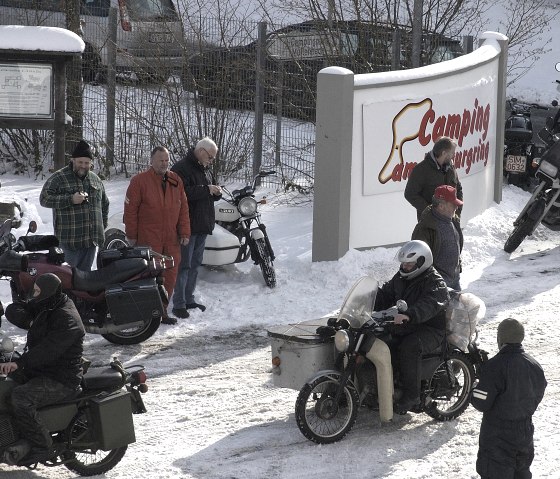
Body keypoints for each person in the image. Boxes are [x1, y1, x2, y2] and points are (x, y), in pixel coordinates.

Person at [0, 273, 85, 465]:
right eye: (34, 291)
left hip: (61, 378)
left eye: (37, 292)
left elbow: (48, 351)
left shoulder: (67, 318)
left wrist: (19, 364)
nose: (34, 296)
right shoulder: (49, 304)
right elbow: (14, 309)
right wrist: (30, 321)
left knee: (20, 397)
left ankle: (42, 445)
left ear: (47, 292)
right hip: (43, 370)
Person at [367, 240, 449, 414]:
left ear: (421, 262)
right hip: (408, 324)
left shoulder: (435, 282)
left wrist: (410, 314)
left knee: (409, 346)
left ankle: (412, 396)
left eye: (409, 264)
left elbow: (430, 304)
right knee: (381, 338)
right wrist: (368, 299)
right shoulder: (402, 277)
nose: (405, 266)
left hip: (430, 328)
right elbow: (386, 294)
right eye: (403, 263)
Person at [471, 318, 547, 479]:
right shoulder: (534, 365)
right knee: (522, 473)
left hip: (497, 436)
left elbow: (480, 402)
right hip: (524, 432)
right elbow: (539, 392)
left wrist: (475, 386)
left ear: (500, 339)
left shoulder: (495, 366)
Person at [123, 146, 190, 325]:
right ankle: (144, 313)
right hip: (148, 238)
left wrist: (184, 231)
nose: (164, 163)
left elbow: (183, 208)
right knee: (147, 277)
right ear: (151, 161)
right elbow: (130, 211)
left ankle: (161, 312)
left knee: (169, 276)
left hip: (171, 239)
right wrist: (131, 235)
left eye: (167, 160)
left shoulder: (176, 180)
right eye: (161, 160)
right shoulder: (139, 181)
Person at [170, 137, 222, 318]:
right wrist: (207, 190)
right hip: (187, 225)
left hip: (202, 225)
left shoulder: (204, 168)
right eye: (210, 157)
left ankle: (189, 298)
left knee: (195, 264)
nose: (211, 160)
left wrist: (216, 192)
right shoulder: (180, 168)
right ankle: (178, 303)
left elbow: (206, 191)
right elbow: (181, 195)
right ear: (201, 151)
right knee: (184, 265)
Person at [40, 139, 110, 271]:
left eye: (87, 163)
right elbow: (44, 198)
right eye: (80, 162)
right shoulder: (59, 177)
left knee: (83, 282)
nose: (83, 166)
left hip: (90, 243)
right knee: (67, 279)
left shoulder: (95, 179)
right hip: (69, 243)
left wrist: (101, 225)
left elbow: (105, 204)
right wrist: (70, 199)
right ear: (73, 160)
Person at [411, 185, 463, 290]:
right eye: (453, 204)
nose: (456, 207)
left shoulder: (453, 220)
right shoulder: (425, 228)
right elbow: (419, 262)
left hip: (455, 281)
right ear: (441, 206)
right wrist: (434, 282)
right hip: (438, 285)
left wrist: (458, 265)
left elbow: (456, 245)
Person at [404, 136, 463, 220]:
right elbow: (410, 194)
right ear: (444, 153)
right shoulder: (421, 169)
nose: (454, 155)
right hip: (430, 224)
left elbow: (458, 188)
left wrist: (457, 212)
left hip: (451, 222)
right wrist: (432, 212)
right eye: (452, 153)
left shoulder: (451, 167)